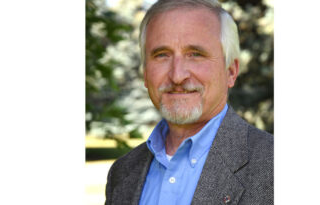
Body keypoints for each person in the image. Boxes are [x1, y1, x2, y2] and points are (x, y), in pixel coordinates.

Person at [105, 0, 273, 204]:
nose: (177, 76)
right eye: (162, 55)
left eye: (195, 54)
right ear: (146, 73)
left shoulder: (272, 166)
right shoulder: (122, 173)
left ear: (230, 71)